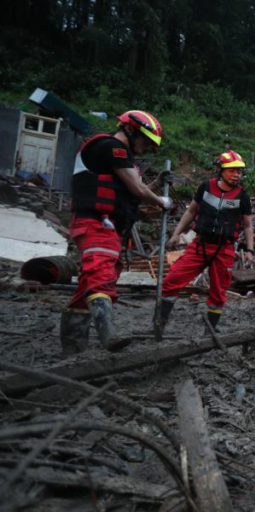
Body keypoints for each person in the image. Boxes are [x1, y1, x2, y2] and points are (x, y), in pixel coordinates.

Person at [60, 110, 172, 355]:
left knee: (90, 282)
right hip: (96, 222)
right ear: (131, 130)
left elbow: (134, 191)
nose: (145, 149)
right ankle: (107, 332)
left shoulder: (117, 156)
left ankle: (72, 344)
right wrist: (162, 201)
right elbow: (136, 188)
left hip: (106, 224)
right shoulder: (112, 148)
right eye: (145, 142)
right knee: (101, 270)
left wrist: (154, 186)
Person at [153, 150, 255, 338]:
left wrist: (249, 250)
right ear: (221, 170)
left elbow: (248, 225)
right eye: (232, 170)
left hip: (224, 249)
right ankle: (160, 323)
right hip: (200, 245)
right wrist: (176, 234)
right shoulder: (205, 187)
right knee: (172, 280)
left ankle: (210, 332)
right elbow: (191, 212)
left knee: (218, 292)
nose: (237, 175)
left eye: (239, 171)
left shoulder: (243, 196)